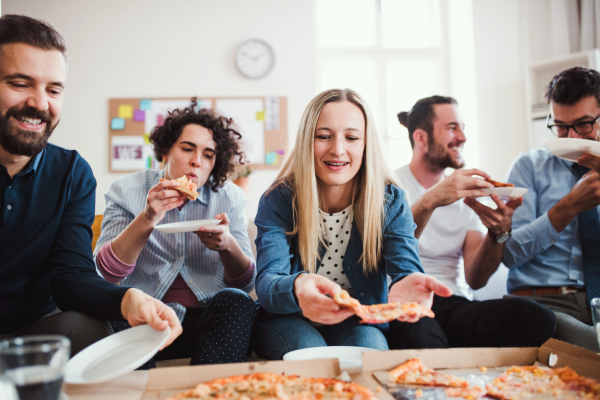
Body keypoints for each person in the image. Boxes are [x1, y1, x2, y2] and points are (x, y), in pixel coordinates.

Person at [0, 14, 181, 355]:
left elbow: (70, 277)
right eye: (20, 84)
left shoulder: (71, 172)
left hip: (31, 332)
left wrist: (128, 299)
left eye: (53, 89)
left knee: (89, 328)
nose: (40, 103)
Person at [251, 88, 453, 360]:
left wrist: (409, 281)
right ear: (306, 142)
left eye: (352, 137)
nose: (337, 149)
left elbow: (406, 269)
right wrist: (298, 287)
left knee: (371, 351)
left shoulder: (390, 200)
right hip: (287, 317)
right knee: (309, 351)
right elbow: (267, 284)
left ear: (365, 144)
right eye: (323, 136)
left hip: (357, 319)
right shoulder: (278, 200)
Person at [94, 99, 256, 366]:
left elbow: (245, 284)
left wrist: (226, 244)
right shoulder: (127, 191)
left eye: (208, 155)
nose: (196, 162)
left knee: (237, 301)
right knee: (111, 309)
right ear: (166, 151)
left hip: (205, 322)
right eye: (188, 149)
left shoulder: (230, 198)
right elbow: (105, 274)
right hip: (144, 320)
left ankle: (208, 393)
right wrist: (147, 217)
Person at [394, 95, 556, 348]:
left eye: (462, 128)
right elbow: (383, 251)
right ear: (420, 137)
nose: (462, 137)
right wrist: (431, 200)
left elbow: (476, 279)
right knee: (422, 335)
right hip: (405, 299)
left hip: (454, 301)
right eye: (452, 128)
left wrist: (497, 234)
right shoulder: (390, 185)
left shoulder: (466, 193)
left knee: (537, 317)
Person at [504, 66, 600, 352]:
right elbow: (509, 253)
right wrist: (568, 206)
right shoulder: (528, 166)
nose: (570, 137)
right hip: (544, 302)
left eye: (583, 124)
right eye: (560, 126)